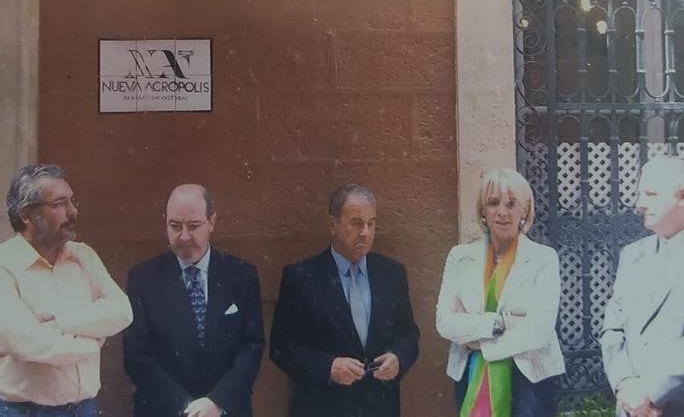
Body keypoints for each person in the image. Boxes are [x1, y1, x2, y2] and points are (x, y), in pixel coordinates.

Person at [0, 164, 132, 417]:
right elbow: (29, 344)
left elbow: (122, 311)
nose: (73, 211)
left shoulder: (83, 256)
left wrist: (62, 323)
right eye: (59, 204)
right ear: (27, 215)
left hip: (84, 409)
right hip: (26, 412)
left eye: (72, 201)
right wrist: (93, 343)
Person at [269, 183, 420, 417]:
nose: (366, 232)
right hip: (321, 407)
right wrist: (328, 367)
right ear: (332, 225)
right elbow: (282, 348)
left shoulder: (392, 273)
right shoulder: (301, 277)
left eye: (371, 223)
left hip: (380, 407)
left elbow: (409, 334)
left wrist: (398, 358)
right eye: (357, 223)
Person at [600, 155, 684, 417]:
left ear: (682, 197)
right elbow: (612, 329)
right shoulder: (632, 255)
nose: (639, 204)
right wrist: (625, 385)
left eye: (650, 194)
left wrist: (651, 391)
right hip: (631, 407)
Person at [124, 184, 265, 417]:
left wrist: (217, 402)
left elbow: (252, 347)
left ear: (212, 222)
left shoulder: (241, 275)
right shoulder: (143, 279)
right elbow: (136, 357)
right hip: (164, 410)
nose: (184, 236)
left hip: (225, 410)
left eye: (194, 226)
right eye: (175, 226)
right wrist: (186, 407)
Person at [435, 168, 565, 416]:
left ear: (524, 210)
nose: (502, 212)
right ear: (483, 210)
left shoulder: (543, 259)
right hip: (470, 374)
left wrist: (479, 343)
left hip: (530, 378)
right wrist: (496, 323)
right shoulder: (460, 257)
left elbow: (539, 330)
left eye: (511, 203)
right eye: (493, 203)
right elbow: (445, 323)